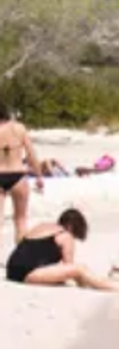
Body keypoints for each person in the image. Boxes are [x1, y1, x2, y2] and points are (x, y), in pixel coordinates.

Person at [5, 208, 119, 290]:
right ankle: (116, 288)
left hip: (11, 270)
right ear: (71, 226)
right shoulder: (66, 236)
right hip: (26, 274)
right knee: (80, 269)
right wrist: (84, 282)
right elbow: (69, 268)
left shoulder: (43, 226)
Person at [0, 103, 43, 244]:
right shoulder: (19, 128)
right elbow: (31, 154)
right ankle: (20, 259)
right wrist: (39, 176)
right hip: (18, 175)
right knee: (20, 219)